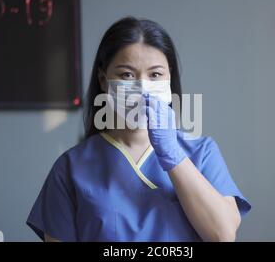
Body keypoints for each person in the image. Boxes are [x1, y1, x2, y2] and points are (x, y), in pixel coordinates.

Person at [27, 16, 251, 242]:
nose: (143, 87)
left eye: (155, 74)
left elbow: (223, 235)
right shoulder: (71, 168)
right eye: (126, 74)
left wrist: (173, 155)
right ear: (104, 80)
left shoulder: (202, 152)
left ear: (169, 78)